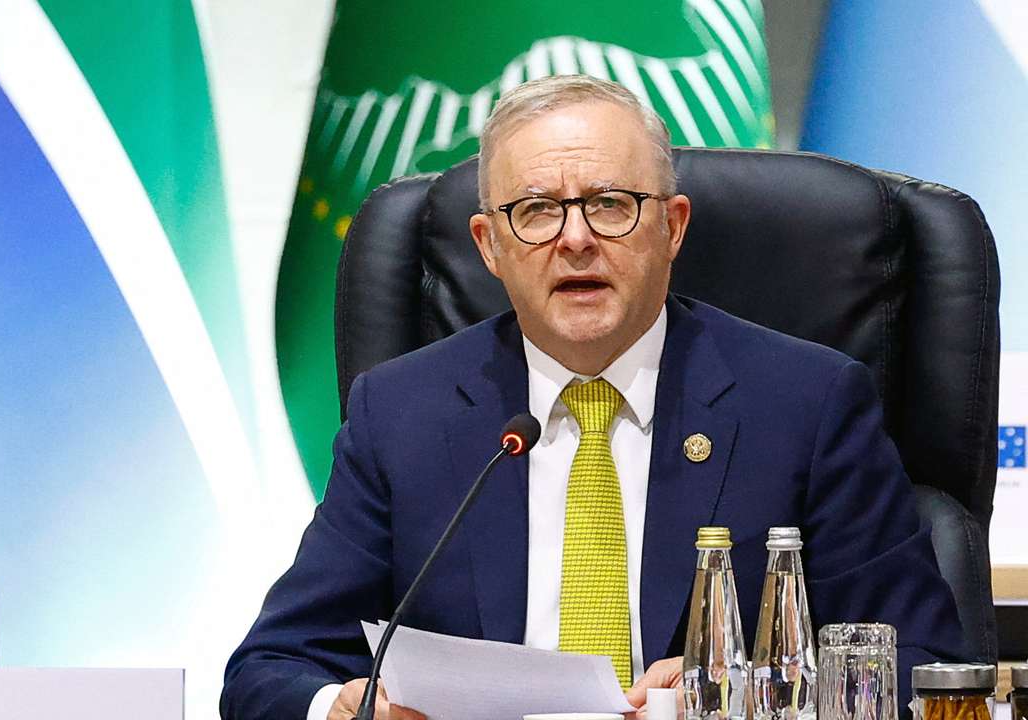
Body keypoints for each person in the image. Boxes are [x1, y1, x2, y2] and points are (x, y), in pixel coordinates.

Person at [220, 75, 964, 720]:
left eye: (611, 204)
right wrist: (342, 706)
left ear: (671, 227)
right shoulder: (403, 416)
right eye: (537, 210)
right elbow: (269, 672)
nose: (576, 239)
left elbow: (917, 661)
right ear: (488, 245)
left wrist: (750, 692)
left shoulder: (806, 405)